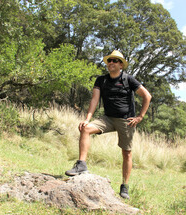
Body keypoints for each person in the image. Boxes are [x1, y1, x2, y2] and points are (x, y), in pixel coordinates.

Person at [65, 50, 152, 199]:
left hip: (126, 120)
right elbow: (94, 99)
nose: (111, 63)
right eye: (109, 60)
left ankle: (124, 186)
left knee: (127, 153)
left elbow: (147, 96)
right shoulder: (101, 80)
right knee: (85, 129)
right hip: (107, 118)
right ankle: (81, 165)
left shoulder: (128, 80)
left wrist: (139, 117)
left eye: (114, 60)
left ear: (121, 65)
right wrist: (87, 118)